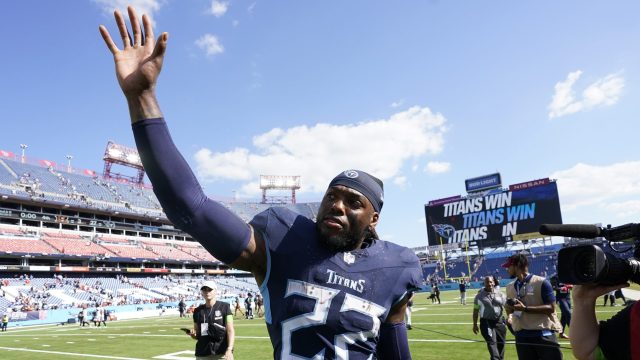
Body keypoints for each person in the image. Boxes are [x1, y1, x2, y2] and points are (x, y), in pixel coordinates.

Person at [99, 7, 424, 359]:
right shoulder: (282, 240)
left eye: (354, 202)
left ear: (374, 219)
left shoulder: (398, 267)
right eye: (333, 195)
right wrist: (141, 98)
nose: (338, 205)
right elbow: (190, 208)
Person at [502, 254, 563, 360]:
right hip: (521, 336)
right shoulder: (510, 287)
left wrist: (525, 309)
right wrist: (510, 315)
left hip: (543, 334)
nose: (507, 269)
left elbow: (551, 308)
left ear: (517, 266)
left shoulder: (542, 282)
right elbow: (511, 309)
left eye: (509, 266)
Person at [569, 283, 638, 360]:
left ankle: (612, 303)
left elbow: (588, 352)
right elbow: (588, 351)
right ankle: (611, 303)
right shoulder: (635, 315)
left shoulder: (635, 315)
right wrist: (583, 300)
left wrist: (583, 301)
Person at [188, 280, 235, 360]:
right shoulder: (197, 311)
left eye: (209, 289)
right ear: (201, 292)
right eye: (204, 289)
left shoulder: (225, 307)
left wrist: (229, 349)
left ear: (215, 291)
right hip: (202, 354)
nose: (207, 292)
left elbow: (230, 330)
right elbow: (198, 334)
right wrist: (194, 335)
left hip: (221, 353)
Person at [473, 276, 507, 360]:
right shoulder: (478, 297)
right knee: (492, 343)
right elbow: (475, 311)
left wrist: (510, 316)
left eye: (491, 282)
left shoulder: (501, 294)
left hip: (499, 322)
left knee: (501, 345)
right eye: (487, 282)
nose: (489, 284)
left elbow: (507, 306)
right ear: (484, 283)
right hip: (486, 323)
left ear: (494, 283)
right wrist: (475, 324)